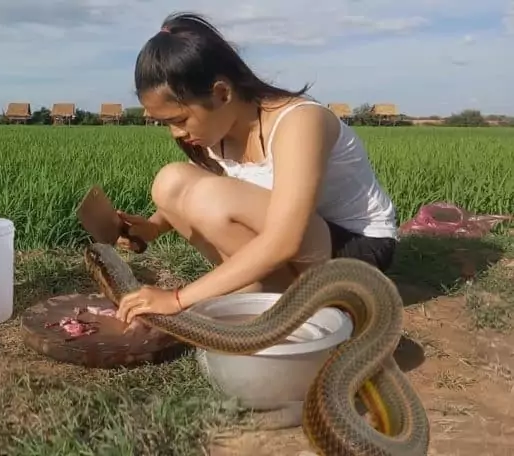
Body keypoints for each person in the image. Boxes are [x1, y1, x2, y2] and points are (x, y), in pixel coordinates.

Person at [114, 12, 399, 327]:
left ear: (222, 93)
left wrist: (178, 299)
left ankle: (312, 303)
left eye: (180, 120)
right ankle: (266, 294)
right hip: (304, 238)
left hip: (353, 250)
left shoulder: (299, 122)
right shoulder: (216, 130)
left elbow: (285, 239)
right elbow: (228, 192)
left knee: (209, 197)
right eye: (166, 124)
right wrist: (152, 228)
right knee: (171, 181)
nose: (177, 134)